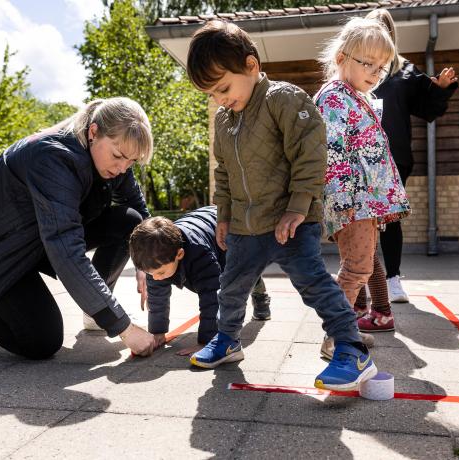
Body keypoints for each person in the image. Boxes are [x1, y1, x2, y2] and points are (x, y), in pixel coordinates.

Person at [185, 20, 377, 391]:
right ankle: (228, 341)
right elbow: (223, 173)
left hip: (290, 222)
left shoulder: (283, 99)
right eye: (211, 94)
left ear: (251, 66)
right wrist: (223, 216)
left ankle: (352, 349)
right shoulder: (225, 122)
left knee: (314, 284)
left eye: (223, 87)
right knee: (232, 285)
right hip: (244, 226)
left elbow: (311, 152)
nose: (220, 99)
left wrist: (299, 205)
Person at [0, 97, 159, 359]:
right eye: (118, 156)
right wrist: (123, 327)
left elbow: (139, 212)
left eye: (131, 161)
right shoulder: (53, 158)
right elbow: (65, 247)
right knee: (42, 341)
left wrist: (147, 261)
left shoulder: (114, 158)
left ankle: (96, 312)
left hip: (34, 236)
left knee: (131, 222)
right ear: (93, 133)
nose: (123, 167)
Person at [315, 17, 411, 335]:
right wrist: (347, 202)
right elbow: (331, 152)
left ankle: (342, 331)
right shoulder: (334, 98)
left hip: (364, 202)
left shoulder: (355, 97)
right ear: (342, 58)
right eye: (368, 63)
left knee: (363, 266)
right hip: (352, 201)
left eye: (381, 67)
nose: (375, 73)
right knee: (357, 268)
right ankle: (337, 334)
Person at [366, 8, 458, 304]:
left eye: (383, 31)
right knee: (362, 220)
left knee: (389, 219)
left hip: (394, 157)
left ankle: (392, 280)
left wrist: (442, 90)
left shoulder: (404, 71)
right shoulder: (356, 67)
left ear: (391, 36)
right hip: (359, 158)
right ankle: (362, 278)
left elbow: (428, 108)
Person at [128, 206, 271, 356]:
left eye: (160, 272)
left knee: (242, 275)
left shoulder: (200, 254)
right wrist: (157, 332)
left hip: (229, 234)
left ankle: (260, 296)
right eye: (150, 274)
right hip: (204, 228)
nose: (155, 277)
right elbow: (157, 298)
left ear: (179, 254)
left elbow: (211, 297)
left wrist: (206, 342)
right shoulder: (156, 257)